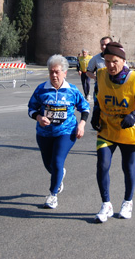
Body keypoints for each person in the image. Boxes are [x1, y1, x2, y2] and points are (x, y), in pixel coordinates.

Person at [90, 42, 135, 222]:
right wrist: (95, 114)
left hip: (128, 129)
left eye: (114, 61)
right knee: (102, 164)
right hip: (107, 127)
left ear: (123, 61)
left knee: (128, 167)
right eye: (107, 61)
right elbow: (97, 95)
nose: (110, 65)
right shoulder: (101, 75)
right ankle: (106, 204)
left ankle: (128, 202)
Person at [28, 55, 90, 209]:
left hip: (66, 132)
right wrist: (39, 117)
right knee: (49, 164)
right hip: (44, 134)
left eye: (57, 72)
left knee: (57, 161)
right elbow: (31, 109)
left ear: (65, 73)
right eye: (51, 72)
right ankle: (59, 174)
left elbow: (85, 108)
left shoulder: (72, 90)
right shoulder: (41, 89)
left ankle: (53, 195)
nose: (54, 75)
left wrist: (81, 124)